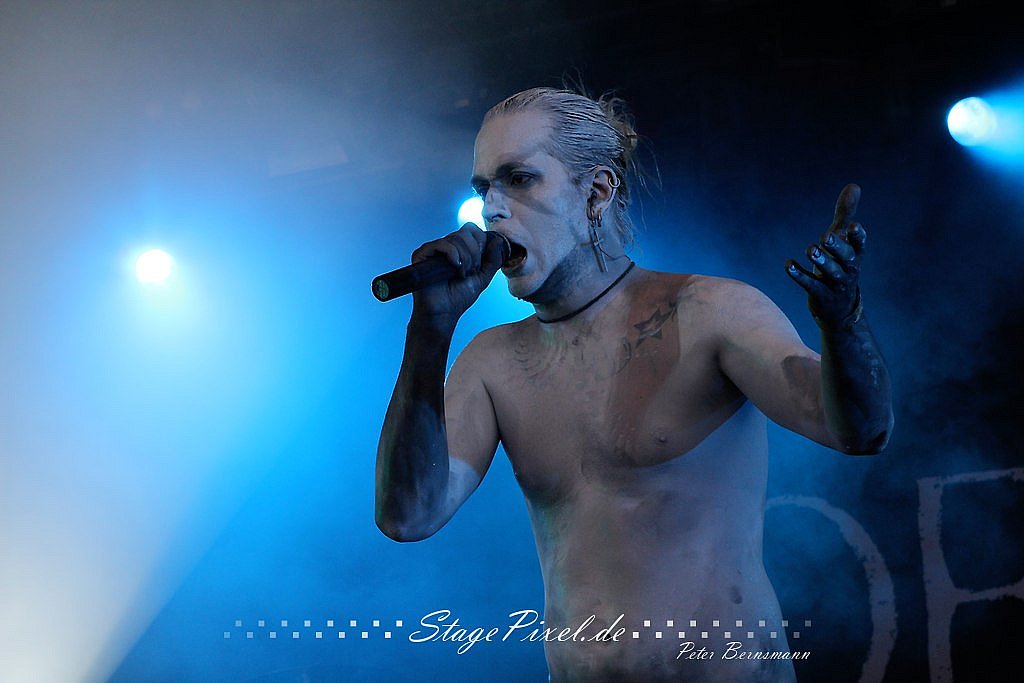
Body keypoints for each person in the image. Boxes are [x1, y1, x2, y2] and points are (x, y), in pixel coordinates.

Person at [375, 87, 893, 681]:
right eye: (484, 188)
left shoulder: (707, 311)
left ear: (596, 192)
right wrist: (429, 331)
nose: (491, 209)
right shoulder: (492, 359)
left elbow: (860, 432)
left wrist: (844, 323)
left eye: (519, 180)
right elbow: (408, 518)